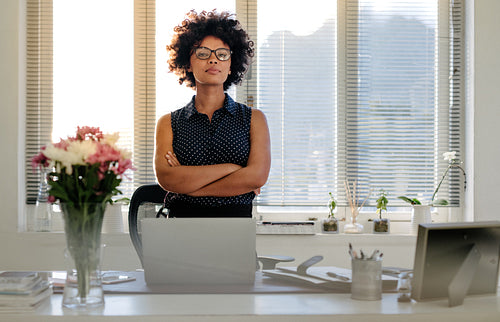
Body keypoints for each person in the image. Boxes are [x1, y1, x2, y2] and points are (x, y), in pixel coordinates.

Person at [154, 10, 271, 218]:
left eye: (222, 54)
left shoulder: (254, 119)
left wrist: (189, 188)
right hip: (181, 228)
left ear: (230, 66)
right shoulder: (168, 123)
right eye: (203, 53)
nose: (213, 60)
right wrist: (232, 169)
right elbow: (167, 178)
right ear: (188, 63)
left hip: (235, 230)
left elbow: (257, 176)